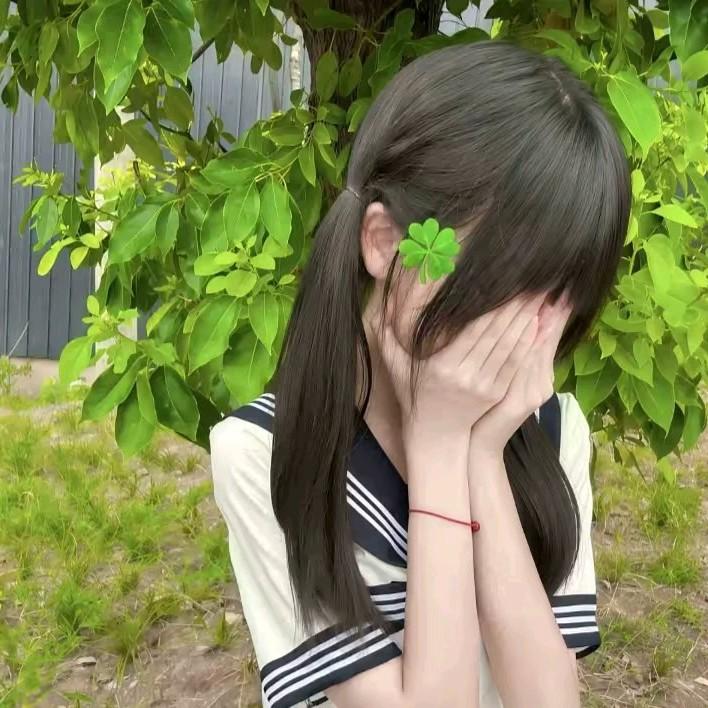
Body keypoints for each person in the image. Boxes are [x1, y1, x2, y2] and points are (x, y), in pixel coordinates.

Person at [210, 40, 630, 708]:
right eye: (510, 278)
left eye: (560, 294)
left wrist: (480, 453)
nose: (531, 328)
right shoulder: (269, 457)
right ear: (385, 243)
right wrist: (437, 444)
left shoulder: (552, 431)